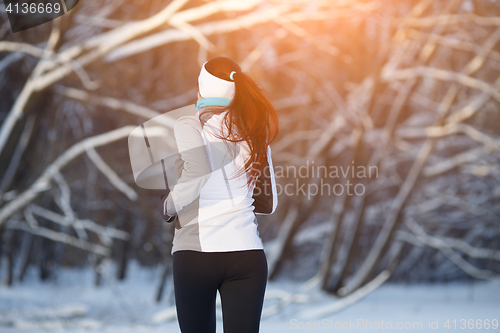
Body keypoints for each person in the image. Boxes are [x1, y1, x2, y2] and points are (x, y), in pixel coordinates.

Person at [158, 57, 279, 333]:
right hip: (246, 256)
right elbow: (269, 202)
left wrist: (168, 205)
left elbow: (198, 170)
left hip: (196, 256)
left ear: (202, 90)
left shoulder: (189, 125)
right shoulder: (254, 133)